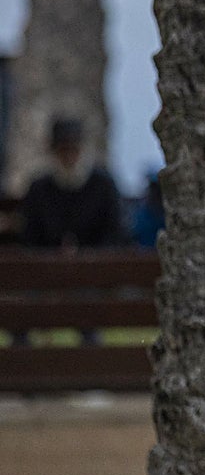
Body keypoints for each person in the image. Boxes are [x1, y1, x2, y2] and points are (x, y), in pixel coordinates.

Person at [13, 116, 127, 346]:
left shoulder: (102, 185)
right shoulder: (40, 188)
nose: (68, 156)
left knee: (87, 305)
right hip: (47, 273)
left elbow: (115, 233)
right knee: (23, 312)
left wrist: (85, 257)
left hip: (93, 273)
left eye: (73, 149)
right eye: (63, 150)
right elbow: (29, 237)